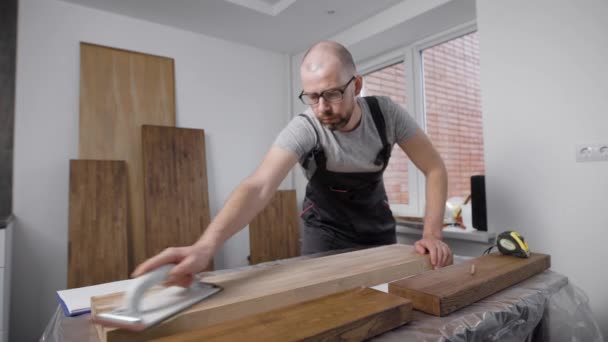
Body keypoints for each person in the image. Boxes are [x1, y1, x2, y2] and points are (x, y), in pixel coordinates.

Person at [133, 40, 452, 287]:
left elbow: (434, 168)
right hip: (325, 229)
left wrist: (432, 234)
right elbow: (258, 187)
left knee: (387, 297)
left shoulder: (386, 114)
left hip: (377, 226)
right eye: (312, 97)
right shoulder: (306, 127)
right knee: (326, 302)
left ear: (356, 85)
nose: (322, 107)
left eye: (332, 94)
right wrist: (205, 247)